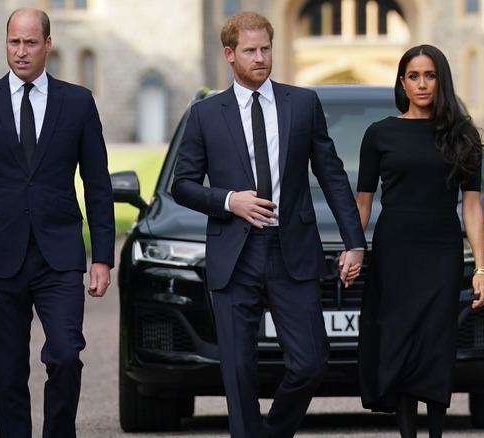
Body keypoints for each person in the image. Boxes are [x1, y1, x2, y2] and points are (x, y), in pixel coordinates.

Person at [171, 11, 365, 438]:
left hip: (290, 250)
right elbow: (181, 185)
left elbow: (331, 174)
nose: (260, 58)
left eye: (265, 49)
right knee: (238, 371)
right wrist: (228, 200)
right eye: (250, 50)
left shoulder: (302, 103)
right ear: (229, 54)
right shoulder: (205, 115)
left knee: (311, 361)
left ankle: (271, 432)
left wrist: (355, 241)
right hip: (233, 254)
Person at [0, 7, 114, 438]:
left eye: (30, 42)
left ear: (47, 45)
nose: (21, 51)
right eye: (14, 42)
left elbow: (97, 184)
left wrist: (103, 257)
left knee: (67, 355)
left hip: (59, 254)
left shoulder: (77, 101)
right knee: (7, 372)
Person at [356, 44, 484, 438]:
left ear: (441, 80)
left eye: (429, 75)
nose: (421, 84)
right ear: (401, 82)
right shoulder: (379, 133)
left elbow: (472, 207)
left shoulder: (461, 135)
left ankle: (435, 434)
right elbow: (362, 203)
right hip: (394, 251)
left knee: (435, 343)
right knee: (399, 342)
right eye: (413, 76)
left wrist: (479, 268)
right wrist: (353, 248)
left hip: (441, 252)